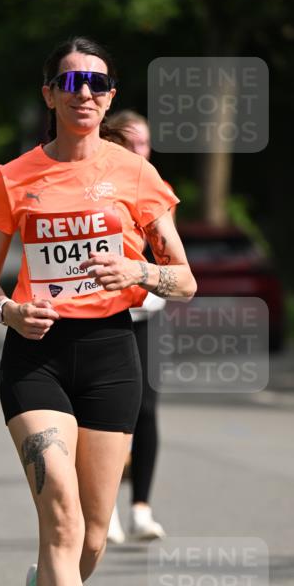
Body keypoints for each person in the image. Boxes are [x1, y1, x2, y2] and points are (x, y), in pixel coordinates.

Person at [0, 36, 196, 586]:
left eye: (97, 81)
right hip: (36, 355)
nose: (83, 91)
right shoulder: (15, 178)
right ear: (49, 94)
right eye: (69, 80)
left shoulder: (135, 176)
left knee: (93, 535)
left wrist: (138, 273)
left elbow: (183, 278)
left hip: (110, 353)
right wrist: (7, 308)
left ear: (110, 94)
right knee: (61, 520)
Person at [104, 111, 173, 543]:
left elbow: (172, 260)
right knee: (103, 413)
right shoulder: (97, 186)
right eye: (128, 143)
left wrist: (148, 275)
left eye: (143, 143)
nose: (136, 151)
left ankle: (141, 509)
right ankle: (104, 507)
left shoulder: (155, 189)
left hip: (145, 312)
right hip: (101, 314)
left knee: (145, 410)